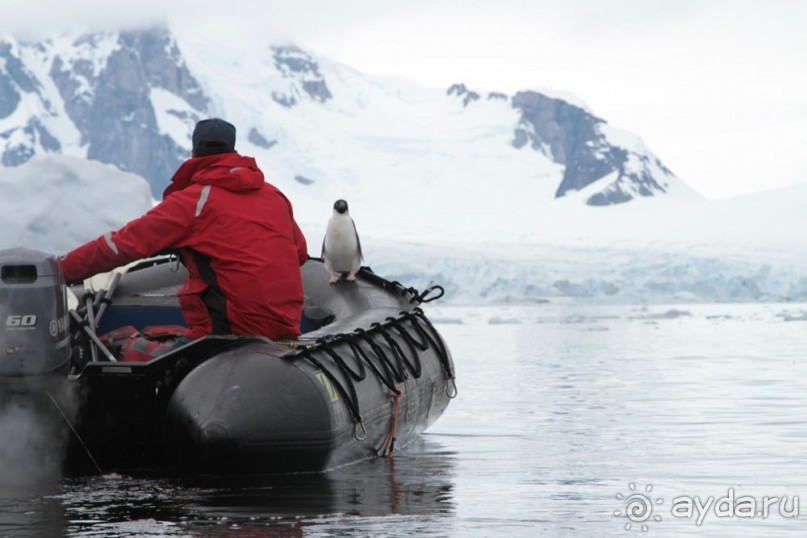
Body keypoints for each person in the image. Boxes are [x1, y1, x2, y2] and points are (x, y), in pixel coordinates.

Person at [59, 118, 308, 342]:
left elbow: (121, 245)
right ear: (233, 150)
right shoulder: (274, 196)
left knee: (126, 347)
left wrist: (58, 270)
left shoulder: (194, 202)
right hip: (285, 329)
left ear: (194, 151)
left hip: (229, 333)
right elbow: (299, 254)